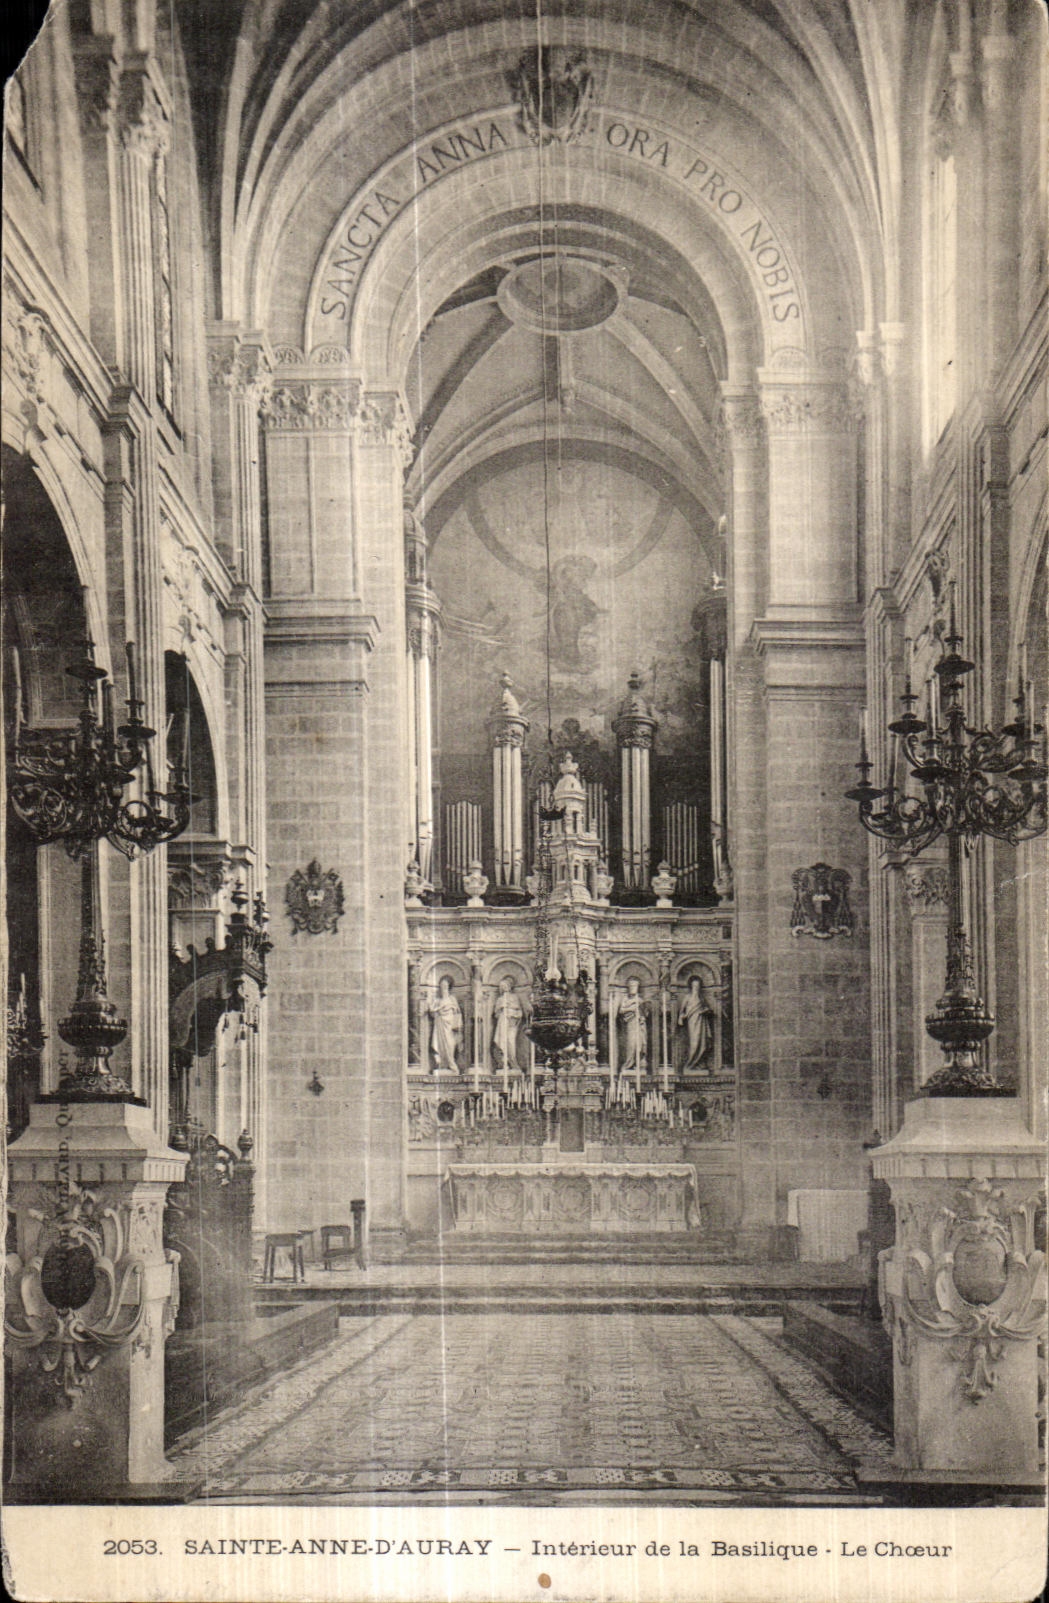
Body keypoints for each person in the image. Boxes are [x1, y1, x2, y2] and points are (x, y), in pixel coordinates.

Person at [678, 973, 713, 1072]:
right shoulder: (688, 997)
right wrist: (681, 1017)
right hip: (692, 1022)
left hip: (701, 1022)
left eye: (698, 986)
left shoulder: (701, 998)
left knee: (703, 1043)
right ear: (691, 986)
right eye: (694, 986)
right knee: (694, 1042)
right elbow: (682, 1011)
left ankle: (699, 1063)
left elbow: (708, 1008)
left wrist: (705, 1010)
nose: (696, 988)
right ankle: (690, 1063)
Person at [491, 975, 526, 1073]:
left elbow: (519, 1012)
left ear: (510, 986)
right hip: (502, 1022)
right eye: (501, 986)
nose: (503, 988)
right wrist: (501, 1007)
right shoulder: (499, 999)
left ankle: (513, 1063)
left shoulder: (514, 997)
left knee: (510, 1043)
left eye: (505, 985)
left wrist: (512, 1013)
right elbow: (496, 1014)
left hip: (511, 1024)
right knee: (501, 1041)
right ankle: (503, 1063)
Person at [427, 975, 463, 1073]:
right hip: (440, 1025)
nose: (443, 988)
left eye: (445, 986)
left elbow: (457, 1013)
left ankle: (451, 1064)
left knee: (450, 1044)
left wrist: (458, 1026)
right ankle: (442, 1065)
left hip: (450, 1025)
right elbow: (432, 1012)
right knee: (439, 1044)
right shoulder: (438, 1001)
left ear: (449, 987)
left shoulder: (452, 999)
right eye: (441, 986)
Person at [617, 976, 648, 1073]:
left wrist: (643, 1016)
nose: (633, 988)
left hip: (639, 1025)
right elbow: (621, 1010)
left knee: (640, 1044)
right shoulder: (625, 999)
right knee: (631, 1045)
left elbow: (645, 1013)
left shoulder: (640, 1000)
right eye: (631, 986)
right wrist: (632, 1008)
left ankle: (637, 1065)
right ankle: (628, 1064)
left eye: (635, 986)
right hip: (630, 1025)